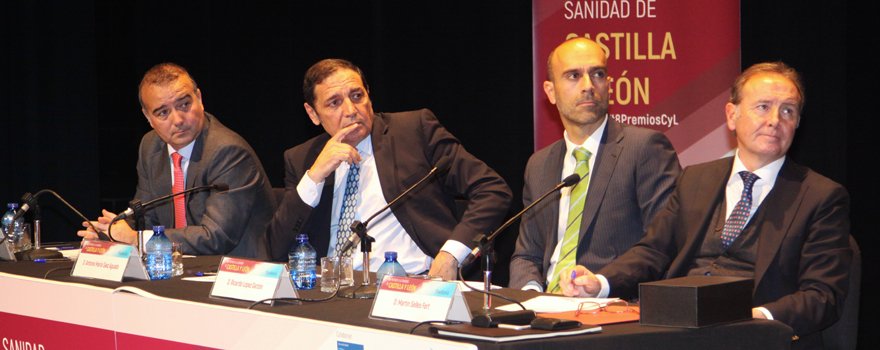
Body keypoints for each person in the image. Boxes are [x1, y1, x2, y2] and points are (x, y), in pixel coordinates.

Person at [560, 62, 851, 349]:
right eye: (763, 107)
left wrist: (758, 318)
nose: (775, 119)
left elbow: (822, 295)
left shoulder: (820, 196)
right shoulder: (696, 178)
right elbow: (654, 250)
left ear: (797, 123)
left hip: (757, 336)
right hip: (679, 329)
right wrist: (600, 282)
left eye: (788, 110)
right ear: (732, 115)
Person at [267, 59, 512, 280]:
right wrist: (315, 176)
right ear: (313, 114)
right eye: (334, 103)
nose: (351, 111)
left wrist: (452, 253)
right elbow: (278, 247)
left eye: (356, 96)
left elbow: (492, 189)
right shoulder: (303, 159)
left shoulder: (413, 130)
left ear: (369, 95)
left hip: (412, 283)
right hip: (332, 290)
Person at [509, 38, 681, 293]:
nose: (588, 86)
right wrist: (531, 298)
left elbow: (664, 244)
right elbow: (527, 254)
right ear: (550, 91)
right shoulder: (539, 164)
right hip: (548, 307)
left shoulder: (644, 147)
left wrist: (601, 285)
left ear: (609, 85)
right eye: (573, 76)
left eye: (597, 74)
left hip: (614, 306)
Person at [78, 63, 276, 260]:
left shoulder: (227, 151)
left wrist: (135, 239)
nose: (178, 119)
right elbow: (145, 218)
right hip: (181, 266)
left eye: (184, 105)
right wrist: (110, 233)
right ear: (148, 117)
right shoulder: (151, 146)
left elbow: (216, 237)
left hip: (237, 273)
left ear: (199, 98)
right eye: (163, 112)